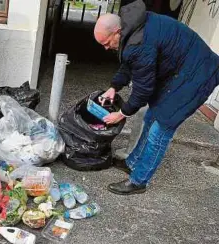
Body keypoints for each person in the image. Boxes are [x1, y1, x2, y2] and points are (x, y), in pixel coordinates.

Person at [93, 0, 219, 195]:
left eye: (106, 43)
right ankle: (132, 162)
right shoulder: (132, 29)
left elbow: (143, 89)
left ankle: (138, 181)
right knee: (150, 116)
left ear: (117, 31)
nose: (106, 48)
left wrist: (122, 113)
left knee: (159, 131)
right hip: (181, 71)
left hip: (197, 75)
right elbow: (130, 61)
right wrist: (114, 87)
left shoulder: (138, 42)